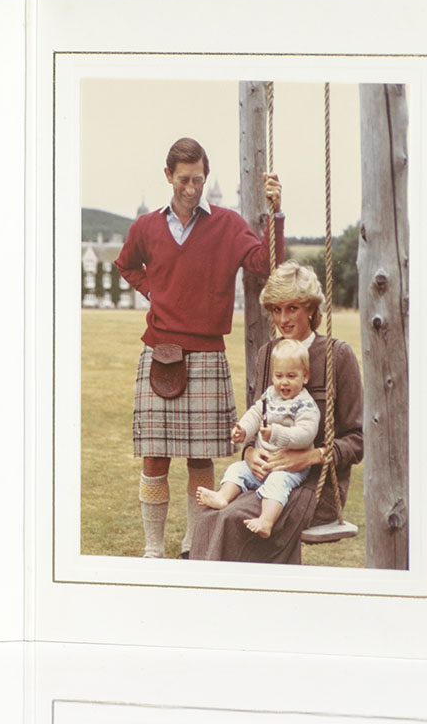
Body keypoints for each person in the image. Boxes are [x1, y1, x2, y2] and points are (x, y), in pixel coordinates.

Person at [114, 137, 284, 558]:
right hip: (158, 352)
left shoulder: (227, 224)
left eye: (199, 180)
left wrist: (275, 213)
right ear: (168, 176)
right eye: (184, 180)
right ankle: (154, 550)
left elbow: (264, 264)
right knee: (154, 459)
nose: (191, 188)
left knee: (200, 461)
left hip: (208, 355)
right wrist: (152, 289)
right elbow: (125, 264)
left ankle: (193, 546)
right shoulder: (146, 227)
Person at [189, 260, 364, 564]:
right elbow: (259, 417)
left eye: (292, 308)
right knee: (208, 517)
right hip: (264, 475)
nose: (283, 319)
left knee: (234, 519)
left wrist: (310, 456)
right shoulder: (267, 354)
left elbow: (357, 441)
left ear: (310, 308)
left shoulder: (338, 356)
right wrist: (248, 454)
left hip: (312, 486)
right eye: (276, 310)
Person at [196, 338, 319, 539]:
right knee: (237, 469)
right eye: (279, 376)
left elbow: (306, 434)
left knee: (277, 483)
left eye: (291, 376)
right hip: (262, 464)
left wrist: (276, 433)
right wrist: (243, 430)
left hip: (289, 468)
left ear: (305, 377)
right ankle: (222, 497)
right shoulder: (270, 395)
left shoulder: (304, 404)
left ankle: (266, 521)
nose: (284, 382)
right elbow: (255, 414)